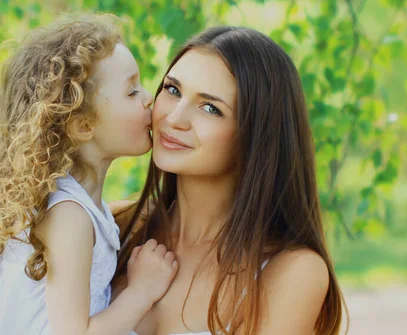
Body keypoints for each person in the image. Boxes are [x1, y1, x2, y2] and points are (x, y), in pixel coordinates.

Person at [0, 15, 178, 335]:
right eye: (131, 91)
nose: (149, 97)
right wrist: (142, 291)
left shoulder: (72, 207)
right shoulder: (69, 217)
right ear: (84, 125)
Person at [112, 26, 347, 335]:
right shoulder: (119, 226)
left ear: (256, 137)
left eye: (210, 108)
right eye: (172, 90)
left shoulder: (291, 271)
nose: (174, 118)